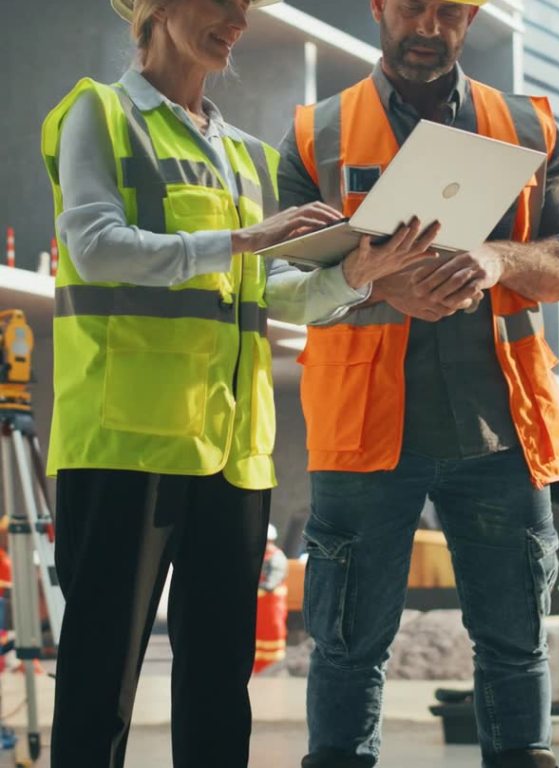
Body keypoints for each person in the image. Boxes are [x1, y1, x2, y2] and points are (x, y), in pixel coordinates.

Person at [40, 0, 441, 765]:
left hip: (232, 453)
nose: (238, 20)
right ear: (157, 9)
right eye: (220, 4)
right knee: (100, 688)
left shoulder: (249, 156)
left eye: (245, 7)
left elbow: (273, 290)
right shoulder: (99, 113)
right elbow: (94, 246)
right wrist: (243, 238)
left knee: (221, 687)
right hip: (124, 443)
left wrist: (360, 277)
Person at [277, 1, 559, 767]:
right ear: (379, 7)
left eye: (449, 10)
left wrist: (497, 260)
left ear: (472, 15)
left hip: (501, 430)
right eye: (413, 5)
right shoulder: (312, 134)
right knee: (347, 651)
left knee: (516, 649)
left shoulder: (527, 127)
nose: (429, 24)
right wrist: (384, 288)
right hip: (364, 436)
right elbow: (281, 279)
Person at [253, 523, 289, 672]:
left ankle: (272, 668)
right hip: (261, 606)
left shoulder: (277, 557)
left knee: (271, 633)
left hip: (271, 606)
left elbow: (271, 583)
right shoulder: (259, 554)